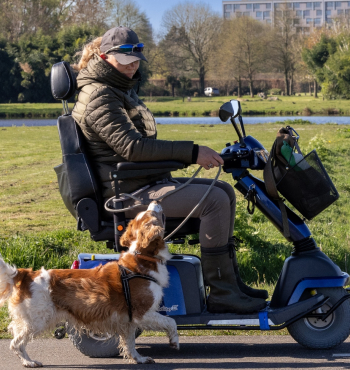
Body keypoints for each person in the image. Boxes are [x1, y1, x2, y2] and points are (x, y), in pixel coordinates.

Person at [71, 26, 266, 314]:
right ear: (104, 56)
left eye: (137, 61)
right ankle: (223, 293)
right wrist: (191, 153)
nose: (133, 67)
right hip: (127, 193)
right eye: (126, 62)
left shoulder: (117, 88)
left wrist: (181, 158)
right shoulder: (101, 95)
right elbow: (132, 148)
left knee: (224, 190)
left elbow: (136, 146)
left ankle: (230, 285)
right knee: (214, 201)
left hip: (137, 182)